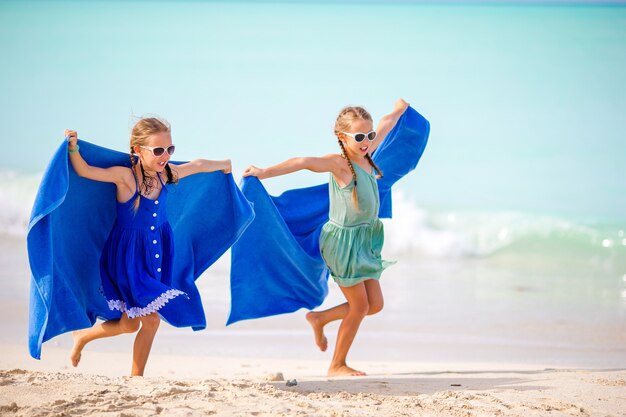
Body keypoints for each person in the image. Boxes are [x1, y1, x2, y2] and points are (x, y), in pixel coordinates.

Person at [243, 99, 410, 376]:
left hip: (366, 242)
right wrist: (265, 172)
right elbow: (303, 162)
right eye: (359, 136)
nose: (366, 140)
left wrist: (398, 110)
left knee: (375, 305)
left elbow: (385, 126)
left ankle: (319, 318)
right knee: (359, 307)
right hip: (342, 244)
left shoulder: (367, 155)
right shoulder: (340, 164)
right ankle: (337, 365)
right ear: (341, 137)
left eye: (368, 135)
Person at [65, 117, 231, 376]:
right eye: (158, 151)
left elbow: (197, 165)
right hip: (128, 259)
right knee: (151, 319)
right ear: (137, 151)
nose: (165, 156)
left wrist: (224, 164)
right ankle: (136, 379)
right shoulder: (125, 178)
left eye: (169, 149)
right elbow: (86, 171)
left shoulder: (167, 174)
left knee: (130, 325)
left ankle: (83, 337)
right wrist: (73, 148)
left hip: (155, 256)